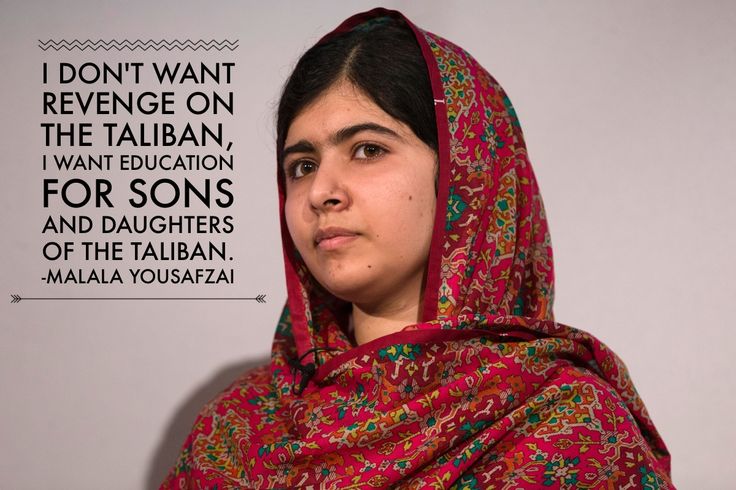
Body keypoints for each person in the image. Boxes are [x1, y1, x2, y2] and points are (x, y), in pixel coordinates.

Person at [162, 8, 672, 488]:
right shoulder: (235, 431)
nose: (321, 192)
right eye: (302, 165)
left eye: (368, 150)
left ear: (464, 175)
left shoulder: (570, 431)